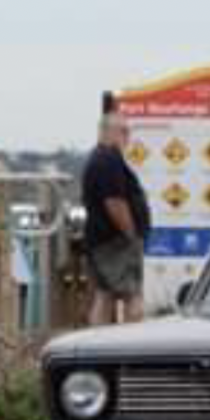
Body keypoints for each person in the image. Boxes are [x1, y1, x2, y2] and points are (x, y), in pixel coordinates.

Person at [82, 113, 151, 325]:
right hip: (116, 242)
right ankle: (132, 349)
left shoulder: (97, 157)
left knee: (105, 296)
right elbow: (115, 203)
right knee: (133, 297)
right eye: (123, 131)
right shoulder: (109, 158)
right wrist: (131, 234)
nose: (128, 136)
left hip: (101, 240)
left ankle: (96, 349)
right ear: (107, 132)